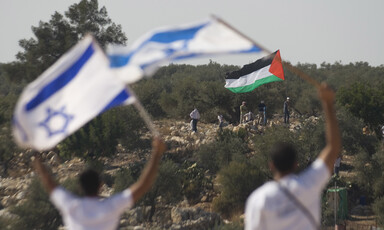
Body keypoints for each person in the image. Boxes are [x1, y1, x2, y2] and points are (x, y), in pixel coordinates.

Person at [245, 83, 341, 230]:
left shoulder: (259, 199)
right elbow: (333, 148)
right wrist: (328, 103)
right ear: (296, 163)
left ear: (271, 165)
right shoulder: (310, 185)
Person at [33, 137, 166, 230]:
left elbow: (49, 183)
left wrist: (37, 160)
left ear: (80, 186)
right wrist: (156, 153)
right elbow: (143, 185)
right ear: (101, 185)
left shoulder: (71, 206)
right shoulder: (111, 207)